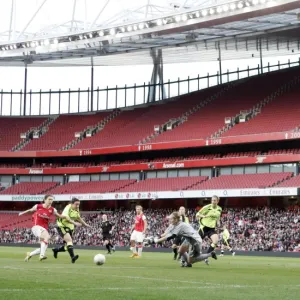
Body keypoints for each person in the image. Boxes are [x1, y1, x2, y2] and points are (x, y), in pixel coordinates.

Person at [19, 194, 73, 262]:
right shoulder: (38, 206)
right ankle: (42, 256)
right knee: (47, 237)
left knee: (44, 246)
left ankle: (30, 254)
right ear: (45, 200)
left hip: (44, 228)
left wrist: (66, 217)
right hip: (36, 227)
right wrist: (22, 213)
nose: (51, 201)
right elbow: (30, 210)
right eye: (49, 199)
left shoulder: (52, 209)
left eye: (52, 200)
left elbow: (59, 216)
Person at [52, 198, 91, 263]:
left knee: (67, 246)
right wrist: (75, 223)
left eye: (79, 204)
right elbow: (67, 218)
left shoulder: (76, 209)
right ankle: (73, 257)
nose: (78, 206)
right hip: (62, 225)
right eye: (76, 204)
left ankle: (56, 250)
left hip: (70, 227)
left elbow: (78, 217)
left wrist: (85, 224)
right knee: (69, 241)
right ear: (72, 203)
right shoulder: (68, 208)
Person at [196, 195, 222, 264]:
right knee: (195, 243)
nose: (213, 202)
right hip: (204, 227)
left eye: (214, 200)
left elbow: (218, 217)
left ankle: (206, 256)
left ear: (217, 201)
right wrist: (204, 216)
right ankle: (184, 257)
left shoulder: (219, 209)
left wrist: (218, 223)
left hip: (211, 228)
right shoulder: (207, 207)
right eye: (212, 200)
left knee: (215, 241)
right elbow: (197, 214)